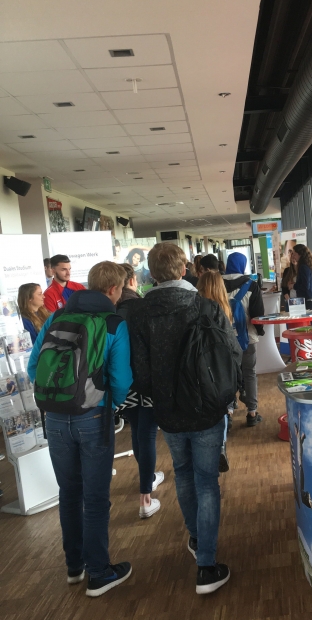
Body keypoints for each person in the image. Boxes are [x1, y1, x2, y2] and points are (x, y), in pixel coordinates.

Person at [128, 242, 242, 595]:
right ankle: (206, 566)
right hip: (207, 408)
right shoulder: (204, 306)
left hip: (167, 411)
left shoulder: (139, 314)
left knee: (184, 474)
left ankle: (196, 537)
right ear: (183, 270)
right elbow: (232, 353)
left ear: (151, 273)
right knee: (207, 481)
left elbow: (140, 372)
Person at [28, 261, 133, 597]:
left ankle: (75, 566)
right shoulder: (114, 323)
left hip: (55, 419)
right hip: (94, 418)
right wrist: (110, 405)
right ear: (113, 289)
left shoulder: (57, 317)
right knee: (96, 498)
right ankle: (99, 573)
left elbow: (33, 367)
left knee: (69, 493)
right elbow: (121, 379)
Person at [117, 263, 163, 519]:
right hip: (146, 381)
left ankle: (149, 477)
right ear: (132, 280)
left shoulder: (110, 310)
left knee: (137, 431)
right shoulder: (143, 307)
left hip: (123, 382)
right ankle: (145, 496)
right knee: (147, 434)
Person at [223, 251, 265, 427]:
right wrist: (260, 331)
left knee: (227, 374)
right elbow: (257, 313)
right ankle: (252, 413)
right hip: (247, 337)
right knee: (250, 373)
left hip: (224, 339)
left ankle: (228, 412)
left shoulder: (217, 284)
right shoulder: (251, 285)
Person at [198, 269, 234, 467]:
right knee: (222, 408)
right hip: (221, 367)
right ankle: (220, 445)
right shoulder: (224, 309)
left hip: (201, 364)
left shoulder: (196, 307)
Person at [290, 244, 312, 310]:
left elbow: (305, 285)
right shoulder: (308, 266)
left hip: (306, 301)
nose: (293, 256)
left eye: (294, 254)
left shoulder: (303, 267)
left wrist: (294, 286)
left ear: (300, 254)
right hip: (310, 299)